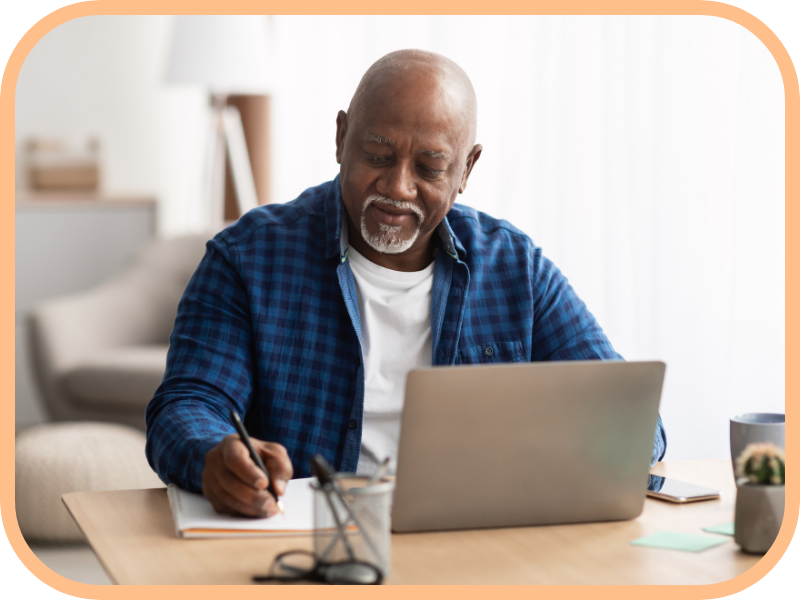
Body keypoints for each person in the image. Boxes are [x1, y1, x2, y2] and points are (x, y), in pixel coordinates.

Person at [146, 49, 666, 518]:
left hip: (475, 542)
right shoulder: (248, 257)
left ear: (466, 170)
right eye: (377, 155)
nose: (398, 187)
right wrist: (215, 456)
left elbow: (633, 423)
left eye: (430, 167)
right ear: (341, 138)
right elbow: (187, 405)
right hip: (315, 545)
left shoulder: (516, 269)